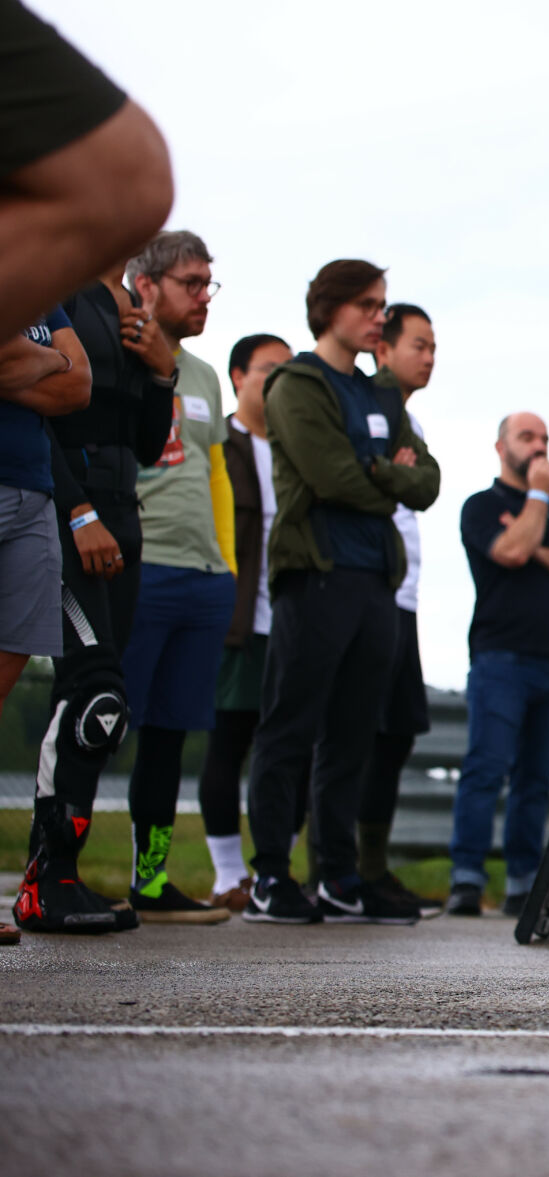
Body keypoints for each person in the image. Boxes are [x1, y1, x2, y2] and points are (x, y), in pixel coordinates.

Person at [243, 260, 439, 926]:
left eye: (383, 304)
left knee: (352, 735)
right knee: (290, 727)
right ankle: (270, 874)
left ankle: (337, 874)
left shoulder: (378, 393)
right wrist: (389, 475)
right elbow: (330, 478)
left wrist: (379, 474)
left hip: (374, 583)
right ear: (330, 308)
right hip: (316, 575)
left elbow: (430, 482)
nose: (378, 316)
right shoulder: (297, 384)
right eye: (366, 304)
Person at [15, 259, 177, 933]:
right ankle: (45, 882)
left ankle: (56, 878)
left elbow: (143, 444)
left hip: (124, 518)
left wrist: (160, 371)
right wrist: (77, 511)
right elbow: (41, 414)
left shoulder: (128, 310)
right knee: (95, 694)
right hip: (68, 515)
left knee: (94, 698)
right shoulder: (54, 289)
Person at [115, 232, 238, 925]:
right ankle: (57, 867)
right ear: (147, 283)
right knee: (99, 725)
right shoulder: (115, 351)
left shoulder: (204, 375)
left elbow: (215, 473)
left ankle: (151, 878)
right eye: (192, 283)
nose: (203, 297)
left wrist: (226, 563)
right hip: (139, 566)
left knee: (168, 735)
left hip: (201, 576)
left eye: (209, 285)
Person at [446, 412, 549, 917]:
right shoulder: (481, 506)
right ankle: (466, 878)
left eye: (545, 438)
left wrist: (537, 547)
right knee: (486, 768)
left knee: (536, 778)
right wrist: (536, 499)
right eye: (527, 437)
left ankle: (524, 883)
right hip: (498, 659)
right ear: (500, 447)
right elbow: (508, 551)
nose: (539, 446)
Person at [0, 0, 171, 342]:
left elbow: (77, 382)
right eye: (192, 282)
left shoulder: (119, 306)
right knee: (129, 180)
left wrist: (162, 376)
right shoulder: (75, 294)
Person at [3, 307, 91, 940]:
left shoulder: (47, 295)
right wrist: (46, 363)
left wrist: (32, 366)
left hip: (34, 495)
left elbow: (78, 386)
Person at [198, 332, 292, 913]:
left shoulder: (292, 445)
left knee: (286, 749)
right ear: (238, 376)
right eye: (267, 369)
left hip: (291, 620)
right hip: (237, 618)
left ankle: (273, 870)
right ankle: (228, 873)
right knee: (228, 742)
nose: (279, 381)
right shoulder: (223, 441)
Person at [356, 303, 441, 914]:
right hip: (368, 589)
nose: (429, 357)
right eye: (419, 344)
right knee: (358, 734)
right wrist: (394, 473)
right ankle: (344, 868)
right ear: (382, 349)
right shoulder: (368, 406)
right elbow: (372, 476)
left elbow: (426, 484)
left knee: (396, 734)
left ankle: (371, 865)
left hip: (402, 597)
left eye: (434, 346)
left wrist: (401, 474)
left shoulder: (405, 418)